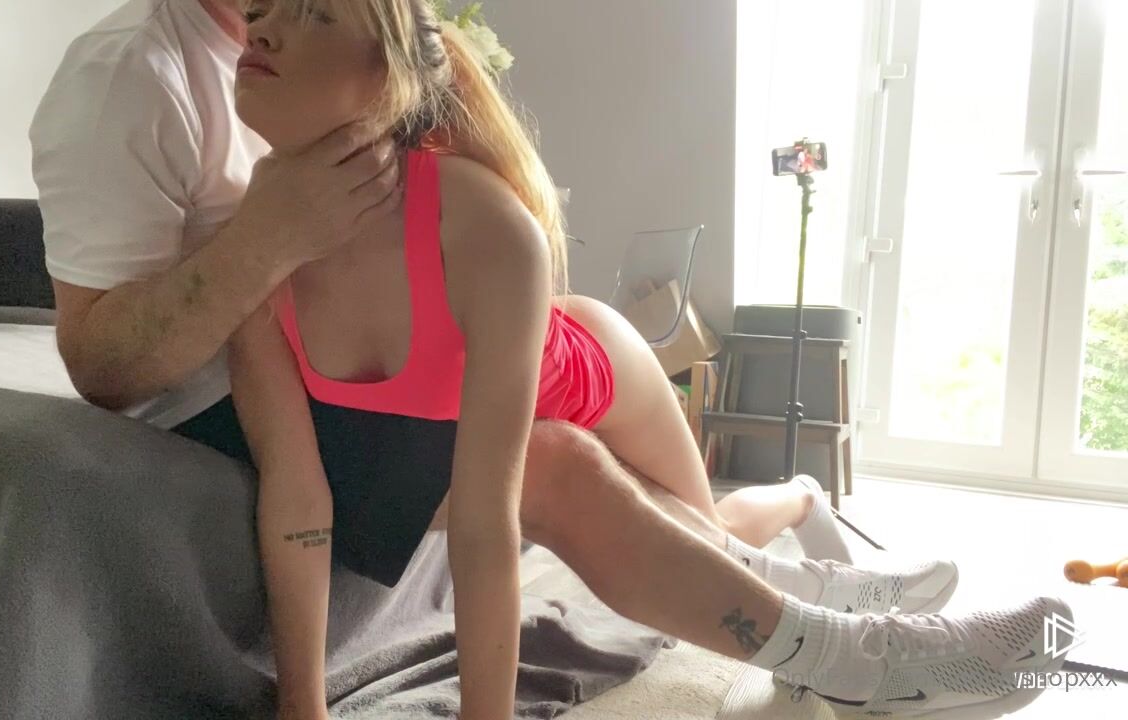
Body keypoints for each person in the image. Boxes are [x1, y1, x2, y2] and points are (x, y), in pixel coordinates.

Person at [224, 2, 1070, 720]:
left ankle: (826, 579)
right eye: (259, 9)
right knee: (680, 541)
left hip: (592, 366)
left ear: (387, 77)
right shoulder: (247, 249)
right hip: (488, 383)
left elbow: (486, 522)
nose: (259, 27)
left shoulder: (482, 223)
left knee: (699, 535)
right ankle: (818, 585)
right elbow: (296, 496)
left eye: (314, 12)